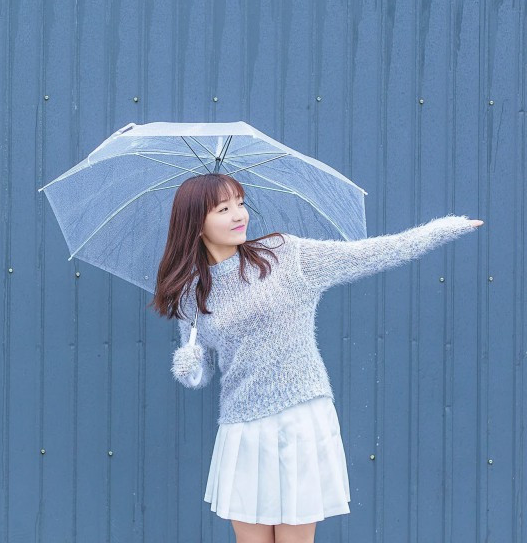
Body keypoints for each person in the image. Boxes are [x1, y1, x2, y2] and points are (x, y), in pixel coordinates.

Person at [150, 173, 483, 543]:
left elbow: (369, 254)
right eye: (223, 209)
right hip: (241, 426)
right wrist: (192, 367)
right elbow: (206, 367)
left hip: (298, 418)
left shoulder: (283, 255)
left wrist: (441, 229)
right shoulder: (191, 293)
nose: (239, 215)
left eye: (240, 203)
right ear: (196, 224)